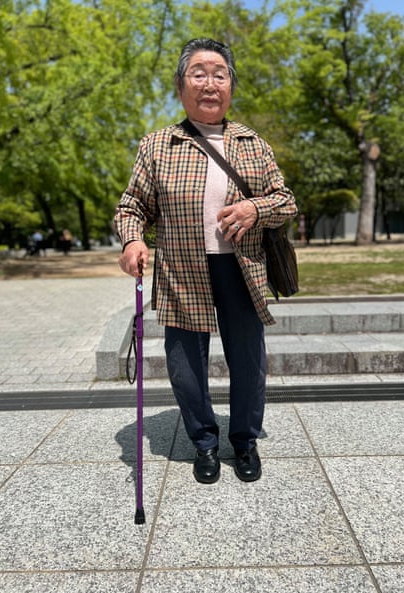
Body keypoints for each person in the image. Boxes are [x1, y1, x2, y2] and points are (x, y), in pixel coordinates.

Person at [114, 38, 297, 484]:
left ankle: (245, 441)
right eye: (199, 73)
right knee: (185, 364)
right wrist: (133, 241)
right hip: (181, 269)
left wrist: (255, 209)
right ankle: (204, 443)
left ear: (231, 86)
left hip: (242, 266)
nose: (210, 83)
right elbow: (132, 206)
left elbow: (285, 200)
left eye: (220, 74)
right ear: (181, 87)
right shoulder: (158, 144)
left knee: (249, 360)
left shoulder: (253, 143)